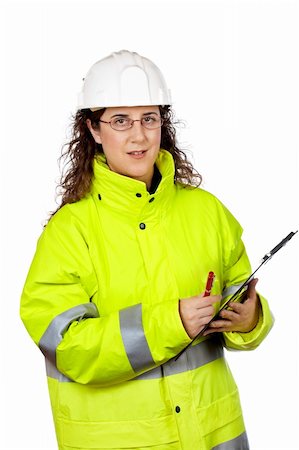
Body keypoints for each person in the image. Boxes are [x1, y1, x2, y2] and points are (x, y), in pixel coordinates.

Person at [20, 50, 274, 450]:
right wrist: (172, 323)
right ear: (94, 129)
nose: (139, 136)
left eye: (149, 119)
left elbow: (244, 299)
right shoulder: (69, 232)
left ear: (162, 124)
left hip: (214, 435)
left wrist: (249, 319)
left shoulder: (206, 210)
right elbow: (66, 346)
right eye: (120, 120)